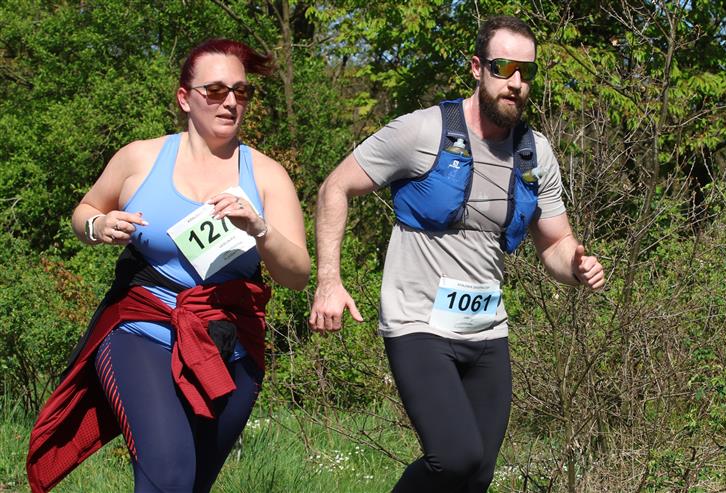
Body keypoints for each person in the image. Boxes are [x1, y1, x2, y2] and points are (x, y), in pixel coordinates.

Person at [309, 16, 604, 493]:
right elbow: (334, 187)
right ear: (476, 68)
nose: (515, 82)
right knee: (455, 458)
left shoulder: (535, 153)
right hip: (418, 324)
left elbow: (555, 243)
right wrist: (329, 280)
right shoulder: (422, 131)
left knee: (477, 474)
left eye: (526, 71)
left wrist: (576, 266)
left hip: (486, 328)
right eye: (503, 67)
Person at [27, 39, 310, 493]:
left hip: (230, 343)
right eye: (215, 90)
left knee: (190, 484)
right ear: (184, 98)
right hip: (142, 326)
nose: (231, 102)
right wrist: (98, 225)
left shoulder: (266, 174)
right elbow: (84, 211)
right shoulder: (140, 157)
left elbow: (296, 275)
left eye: (241, 91)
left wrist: (260, 229)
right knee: (170, 475)